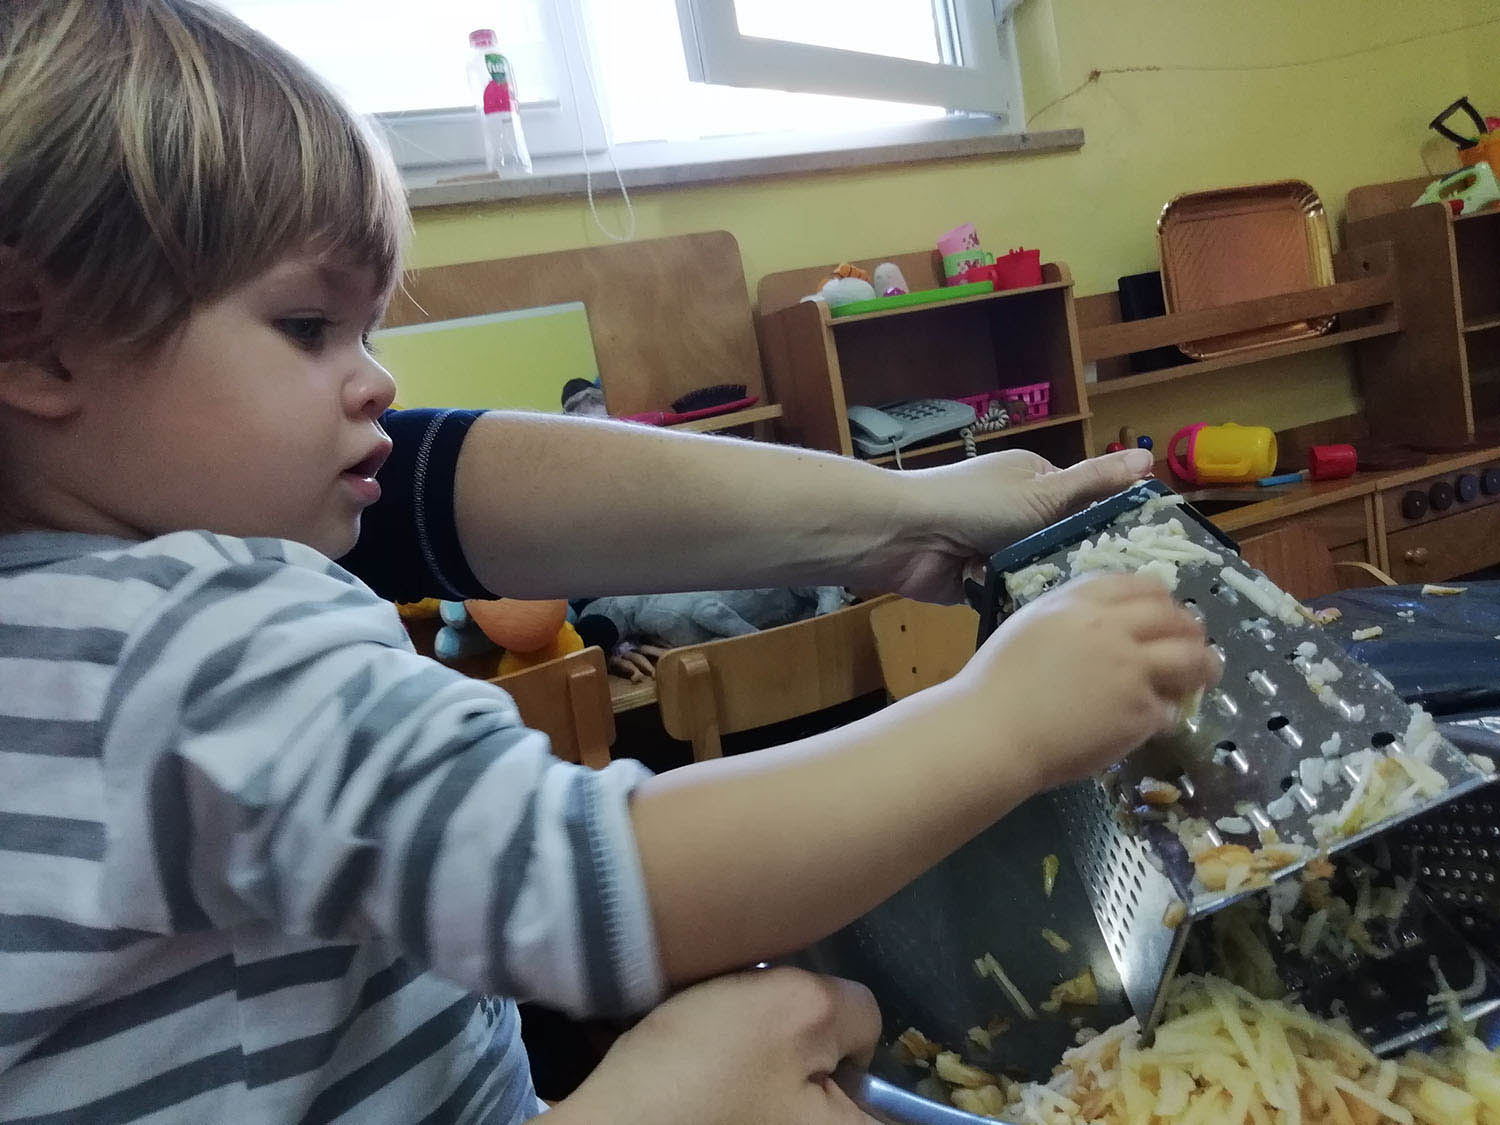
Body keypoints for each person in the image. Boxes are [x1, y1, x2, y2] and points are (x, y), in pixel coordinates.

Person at [0, 2, 1220, 1122]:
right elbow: (592, 884)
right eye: (307, 326)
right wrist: (1007, 722)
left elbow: (435, 482)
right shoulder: (201, 637)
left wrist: (903, 513)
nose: (377, 381)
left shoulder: (54, 637)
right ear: (38, 346)